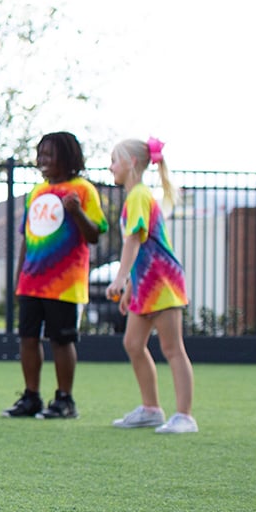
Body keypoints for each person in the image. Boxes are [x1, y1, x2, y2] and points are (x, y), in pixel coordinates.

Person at [3, 131, 107, 419]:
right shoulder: (37, 192)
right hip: (31, 281)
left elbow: (95, 234)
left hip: (64, 283)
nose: (42, 160)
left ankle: (64, 400)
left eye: (49, 154)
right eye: (40, 154)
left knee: (61, 340)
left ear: (68, 157)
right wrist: (19, 276)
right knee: (27, 338)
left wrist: (76, 212)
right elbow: (26, 236)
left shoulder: (83, 190)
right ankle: (31, 396)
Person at [106, 137, 197, 433]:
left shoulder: (139, 196)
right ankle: (151, 409)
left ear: (131, 163)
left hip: (162, 282)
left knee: (172, 348)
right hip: (145, 283)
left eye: (114, 161)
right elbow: (141, 246)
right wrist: (131, 286)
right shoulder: (135, 197)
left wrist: (120, 278)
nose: (111, 168)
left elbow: (134, 239)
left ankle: (184, 416)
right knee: (133, 343)